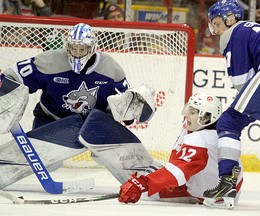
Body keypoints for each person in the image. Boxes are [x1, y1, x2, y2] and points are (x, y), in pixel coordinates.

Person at [0, 23, 159, 189]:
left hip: (93, 125)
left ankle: (149, 181)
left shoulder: (111, 69)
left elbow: (126, 106)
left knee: (106, 155)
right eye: (73, 48)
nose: (76, 53)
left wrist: (133, 109)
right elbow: (13, 75)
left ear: (92, 47)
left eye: (81, 49)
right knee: (50, 163)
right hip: (52, 120)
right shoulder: (49, 61)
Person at [203, 0, 260, 209]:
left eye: (216, 23)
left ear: (230, 18)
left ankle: (226, 184)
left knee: (229, 122)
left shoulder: (236, 32)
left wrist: (246, 112)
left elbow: (241, 82)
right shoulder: (254, 29)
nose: (215, 29)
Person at [118, 93, 243, 207]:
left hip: (213, 193)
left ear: (205, 118)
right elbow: (178, 161)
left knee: (147, 193)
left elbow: (180, 169)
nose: (186, 114)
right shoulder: (216, 133)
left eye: (192, 112)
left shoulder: (200, 138)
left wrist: (142, 184)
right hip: (230, 190)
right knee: (156, 185)